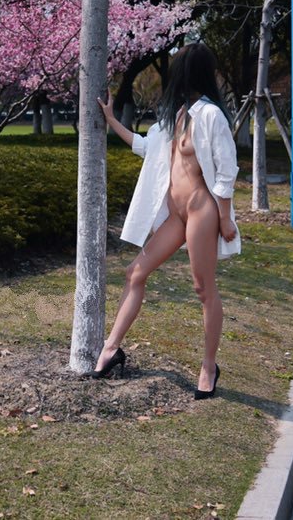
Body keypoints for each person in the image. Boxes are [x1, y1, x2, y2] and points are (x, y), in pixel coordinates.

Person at [93, 43, 240, 400]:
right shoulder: (175, 116)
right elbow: (146, 147)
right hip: (176, 214)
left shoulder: (211, 115)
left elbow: (227, 170)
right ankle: (111, 349)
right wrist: (112, 120)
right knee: (135, 272)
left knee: (203, 288)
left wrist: (224, 218)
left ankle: (208, 367)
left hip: (202, 211)